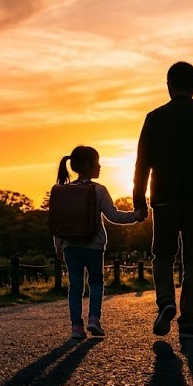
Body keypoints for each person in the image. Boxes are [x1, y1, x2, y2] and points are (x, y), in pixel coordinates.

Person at [133, 61, 193, 340]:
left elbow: (142, 163)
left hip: (163, 198)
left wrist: (139, 199)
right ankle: (187, 321)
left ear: (168, 86)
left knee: (162, 256)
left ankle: (166, 303)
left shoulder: (154, 118)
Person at [54, 146, 146, 340]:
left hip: (70, 246)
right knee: (96, 282)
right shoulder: (99, 190)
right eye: (97, 162)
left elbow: (58, 220)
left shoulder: (63, 190)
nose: (100, 166)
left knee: (75, 287)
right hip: (93, 246)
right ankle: (94, 319)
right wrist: (136, 216)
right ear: (87, 165)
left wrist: (58, 245)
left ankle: (76, 327)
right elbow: (114, 216)